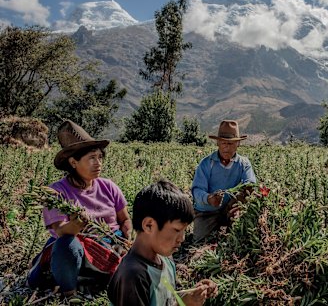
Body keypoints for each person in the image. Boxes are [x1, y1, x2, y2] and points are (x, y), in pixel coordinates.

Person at [27, 120, 132, 300]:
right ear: (73, 162)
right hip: (77, 251)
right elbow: (60, 231)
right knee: (66, 245)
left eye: (100, 157)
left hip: (111, 247)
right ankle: (70, 293)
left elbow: (124, 219)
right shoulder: (57, 192)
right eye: (92, 158)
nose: (98, 163)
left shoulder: (109, 187)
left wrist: (127, 235)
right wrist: (76, 224)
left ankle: (97, 280)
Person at [108, 180, 218, 306]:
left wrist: (193, 294)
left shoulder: (165, 259)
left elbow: (167, 299)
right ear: (149, 225)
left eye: (184, 231)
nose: (182, 238)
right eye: (177, 230)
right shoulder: (132, 276)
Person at [191, 120, 257, 242]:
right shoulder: (206, 164)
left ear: (238, 144)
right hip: (207, 212)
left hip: (231, 209)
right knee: (200, 241)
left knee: (241, 238)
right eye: (223, 143)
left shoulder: (243, 164)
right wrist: (209, 199)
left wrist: (240, 200)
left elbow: (250, 184)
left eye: (231, 144)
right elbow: (197, 190)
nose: (226, 147)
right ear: (217, 143)